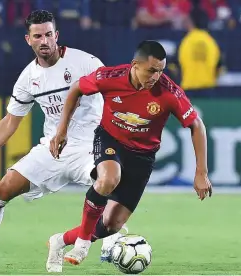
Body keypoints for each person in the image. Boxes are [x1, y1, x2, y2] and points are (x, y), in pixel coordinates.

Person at [0, 10, 127, 271]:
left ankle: (112, 240)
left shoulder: (85, 63)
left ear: (57, 35)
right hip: (52, 150)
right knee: (0, 191)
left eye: (49, 34)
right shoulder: (28, 78)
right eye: (38, 36)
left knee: (108, 185)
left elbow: (115, 93)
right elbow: (10, 122)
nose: (45, 41)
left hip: (90, 146)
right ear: (28, 40)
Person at [49, 40, 213, 266]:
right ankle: (82, 244)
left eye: (161, 71)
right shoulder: (110, 77)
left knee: (111, 224)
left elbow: (197, 126)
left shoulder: (168, 92)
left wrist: (201, 172)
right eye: (152, 70)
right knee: (108, 179)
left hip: (142, 157)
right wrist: (62, 130)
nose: (156, 76)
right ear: (135, 65)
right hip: (110, 139)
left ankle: (61, 240)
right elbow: (76, 88)